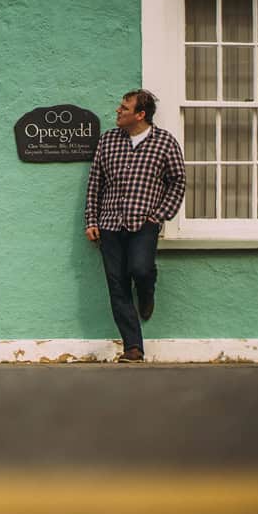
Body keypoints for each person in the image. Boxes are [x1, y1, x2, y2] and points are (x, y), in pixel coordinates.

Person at [84, 89, 185, 363]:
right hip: (109, 224)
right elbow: (96, 184)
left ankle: (147, 288)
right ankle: (133, 347)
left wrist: (160, 215)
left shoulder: (164, 142)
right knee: (117, 285)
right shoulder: (108, 141)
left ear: (140, 115)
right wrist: (91, 220)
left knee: (140, 269)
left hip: (144, 222)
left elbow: (177, 182)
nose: (118, 111)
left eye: (124, 108)